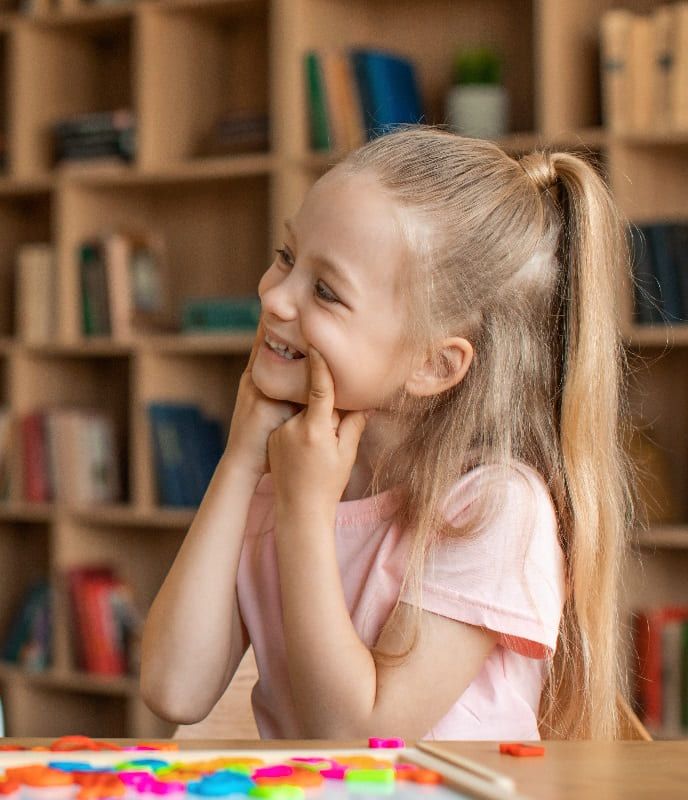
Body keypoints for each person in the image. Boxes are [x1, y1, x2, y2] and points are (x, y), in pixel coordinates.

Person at [140, 126, 635, 741]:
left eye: (325, 291)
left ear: (433, 365)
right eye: (287, 256)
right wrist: (242, 460)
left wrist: (303, 511)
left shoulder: (494, 510)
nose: (273, 295)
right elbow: (173, 688)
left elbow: (360, 739)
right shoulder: (292, 473)